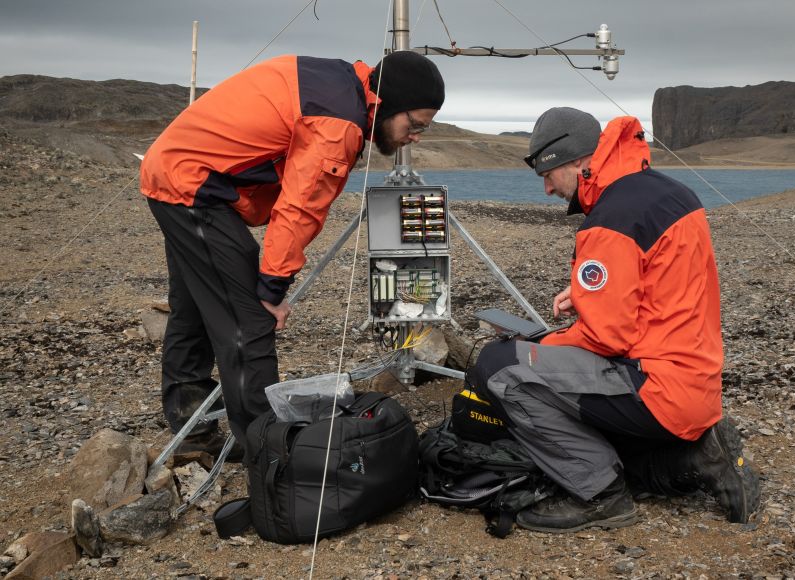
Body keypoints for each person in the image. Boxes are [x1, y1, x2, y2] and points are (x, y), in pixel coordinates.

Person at [469, 107, 760, 533]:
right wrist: (586, 295)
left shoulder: (612, 218)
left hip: (655, 388)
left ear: (573, 161)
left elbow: (607, 337)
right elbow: (662, 284)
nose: (548, 189)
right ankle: (699, 457)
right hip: (697, 384)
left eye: (548, 176)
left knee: (500, 367)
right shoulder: (669, 193)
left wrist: (541, 346)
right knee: (562, 384)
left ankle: (600, 495)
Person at [140, 51, 445, 451]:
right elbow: (300, 207)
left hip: (177, 174)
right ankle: (268, 454)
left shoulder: (340, 86)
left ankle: (191, 430)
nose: (416, 136)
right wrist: (271, 289)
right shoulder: (338, 122)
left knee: (195, 308)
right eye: (415, 124)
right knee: (249, 324)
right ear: (388, 103)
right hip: (196, 188)